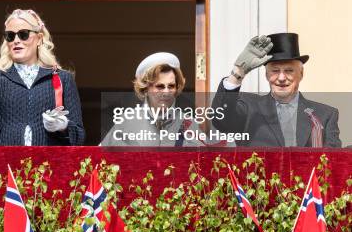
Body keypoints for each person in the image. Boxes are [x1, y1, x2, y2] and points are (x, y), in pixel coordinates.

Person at [0, 7, 85, 146]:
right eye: (10, 35)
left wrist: (62, 126)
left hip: (47, 164)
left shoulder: (62, 78)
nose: (16, 40)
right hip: (4, 162)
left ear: (39, 39)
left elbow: (79, 136)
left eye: (23, 34)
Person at [212, 33, 341, 147]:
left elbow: (334, 162)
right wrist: (238, 72)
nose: (281, 78)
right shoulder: (248, 107)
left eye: (289, 71)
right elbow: (221, 120)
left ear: (301, 74)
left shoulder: (326, 115)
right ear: (266, 75)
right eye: (275, 71)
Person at [101, 52, 231, 147]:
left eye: (171, 86)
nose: (166, 92)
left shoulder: (190, 124)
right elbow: (99, 165)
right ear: (146, 89)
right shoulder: (125, 123)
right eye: (160, 86)